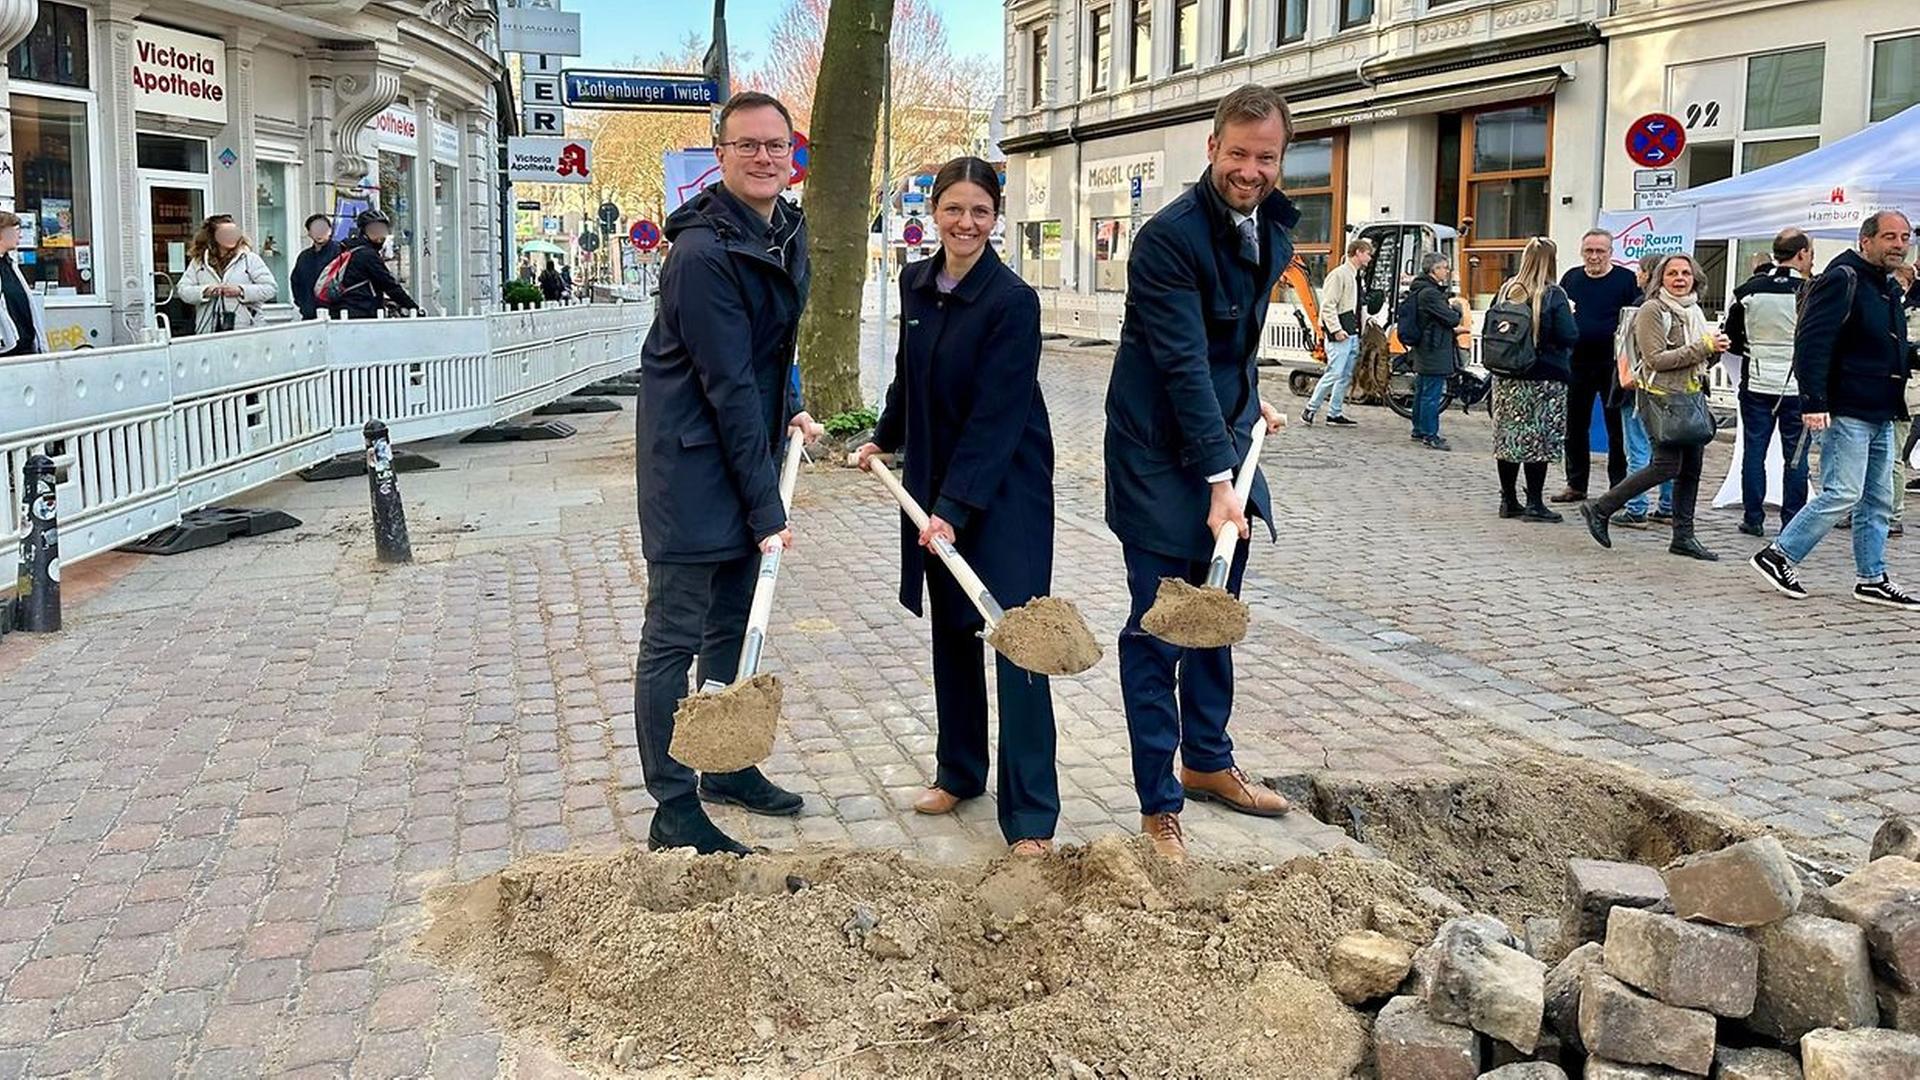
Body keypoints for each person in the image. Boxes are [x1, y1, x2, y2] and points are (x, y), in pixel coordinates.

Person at [1104, 84, 1294, 862]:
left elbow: (1231, 347)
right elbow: (1182, 364)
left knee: (1215, 615)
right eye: (1239, 154)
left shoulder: (1274, 222)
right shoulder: (1168, 239)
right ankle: (1159, 804)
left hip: (1224, 438)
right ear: (1212, 148)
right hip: (1158, 455)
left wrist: (1253, 406)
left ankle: (1208, 760)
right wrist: (1221, 480)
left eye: (1267, 157)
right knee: (1160, 629)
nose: (1251, 170)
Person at [853, 157, 1059, 857]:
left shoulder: (1011, 301)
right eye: (954, 209)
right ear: (933, 212)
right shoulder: (917, 282)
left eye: (980, 211)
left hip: (1007, 490)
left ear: (996, 217)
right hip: (939, 485)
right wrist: (884, 439)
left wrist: (956, 507)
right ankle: (960, 772)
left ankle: (1031, 816)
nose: (965, 223)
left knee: (1016, 639)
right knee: (954, 633)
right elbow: (910, 379)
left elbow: (999, 417)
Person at [635, 91, 822, 855]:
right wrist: (766, 509)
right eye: (746, 146)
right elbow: (728, 386)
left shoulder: (785, 229)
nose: (764, 158)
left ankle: (727, 766)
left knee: (732, 625)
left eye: (776, 146)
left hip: (743, 454)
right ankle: (673, 805)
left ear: (792, 154)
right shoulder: (703, 255)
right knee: (673, 640)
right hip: (690, 469)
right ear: (721, 154)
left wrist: (799, 407)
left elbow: (774, 350)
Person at [1750, 211, 1920, 608]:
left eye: (1904, 237)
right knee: (1842, 492)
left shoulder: (1885, 285)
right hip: (1848, 406)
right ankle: (1779, 554)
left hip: (1882, 406)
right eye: (1889, 237)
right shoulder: (1843, 277)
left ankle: (1872, 577)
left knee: (1877, 499)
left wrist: (1913, 355)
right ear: (1866, 241)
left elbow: (1882, 344)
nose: (1899, 244)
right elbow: (1812, 342)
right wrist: (1813, 402)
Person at [1581, 253, 1727, 561]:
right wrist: (1704, 347)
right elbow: (1655, 360)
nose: (1679, 278)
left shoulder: (1693, 311)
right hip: (1662, 398)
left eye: (1685, 273)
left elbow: (1699, 357)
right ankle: (1601, 507)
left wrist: (1714, 351)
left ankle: (1683, 537)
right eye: (1672, 273)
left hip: (1691, 396)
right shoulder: (1652, 310)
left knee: (1691, 470)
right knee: (1665, 466)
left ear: (1695, 278)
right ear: (1660, 278)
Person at [1725, 227, 1813, 538]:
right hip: (1797, 386)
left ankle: (1753, 517)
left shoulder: (1748, 290)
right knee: (1796, 456)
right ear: (1802, 254)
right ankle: (1792, 521)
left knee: (1754, 451)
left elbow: (1732, 339)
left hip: (1756, 383)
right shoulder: (1811, 290)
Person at [1489, 237, 1579, 522]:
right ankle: (1535, 504)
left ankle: (1509, 500)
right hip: (1544, 379)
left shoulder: (1506, 291)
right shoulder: (1553, 295)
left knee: (1509, 439)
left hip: (1506, 377)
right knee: (1537, 440)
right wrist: (1572, 314)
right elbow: (1569, 335)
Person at [1553, 229, 1642, 503]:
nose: (1594, 257)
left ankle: (1618, 485)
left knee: (1616, 427)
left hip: (1613, 365)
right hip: (1576, 363)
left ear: (1610, 253)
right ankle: (1576, 484)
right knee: (1575, 425)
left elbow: (1635, 320)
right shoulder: (1571, 278)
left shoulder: (1625, 280)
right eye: (1589, 251)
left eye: (1599, 251)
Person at [1614, 254, 1675, 528]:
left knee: (1638, 450)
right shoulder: (1675, 308)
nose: (1636, 276)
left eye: (1640, 271)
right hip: (1668, 389)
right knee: (1666, 450)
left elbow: (1626, 350)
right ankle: (1667, 505)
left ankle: (1637, 507)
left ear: (1648, 274)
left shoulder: (1641, 308)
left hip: (1638, 387)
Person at [1302, 237, 1372, 427]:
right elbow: (1328, 305)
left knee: (1345, 374)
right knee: (1335, 372)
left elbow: (1356, 305)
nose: (1370, 257)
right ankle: (1311, 408)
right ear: (1358, 252)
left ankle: (1334, 412)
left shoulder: (1355, 276)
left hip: (1351, 331)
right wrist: (1336, 329)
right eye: (1368, 253)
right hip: (1342, 332)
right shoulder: (1339, 275)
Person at [1406, 253, 1468, 451]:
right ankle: (1430, 434)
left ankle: (1418, 429)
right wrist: (1455, 310)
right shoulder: (1431, 293)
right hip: (1434, 348)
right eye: (1444, 267)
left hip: (1426, 347)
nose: (1447, 271)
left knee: (1423, 391)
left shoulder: (1421, 289)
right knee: (1431, 393)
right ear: (1433, 270)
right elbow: (1451, 318)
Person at [177, 214, 277, 334]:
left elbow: (270, 288)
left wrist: (241, 290)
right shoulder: (199, 261)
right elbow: (183, 290)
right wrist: (205, 291)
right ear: (213, 236)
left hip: (246, 329)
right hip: (209, 327)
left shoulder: (249, 258)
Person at [327, 209, 419, 319]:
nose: (380, 236)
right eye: (374, 231)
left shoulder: (348, 248)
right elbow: (389, 285)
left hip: (342, 312)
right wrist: (413, 307)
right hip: (360, 314)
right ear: (363, 232)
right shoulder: (367, 255)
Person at [0, 211, 49, 357]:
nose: (20, 236)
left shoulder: (10, 264)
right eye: (15, 231)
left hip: (25, 347)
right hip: (6, 350)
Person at [289, 214, 340, 321]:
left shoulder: (340, 252)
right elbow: (295, 281)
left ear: (330, 231)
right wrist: (302, 304)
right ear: (309, 233)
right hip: (309, 315)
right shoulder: (304, 257)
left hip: (334, 315)